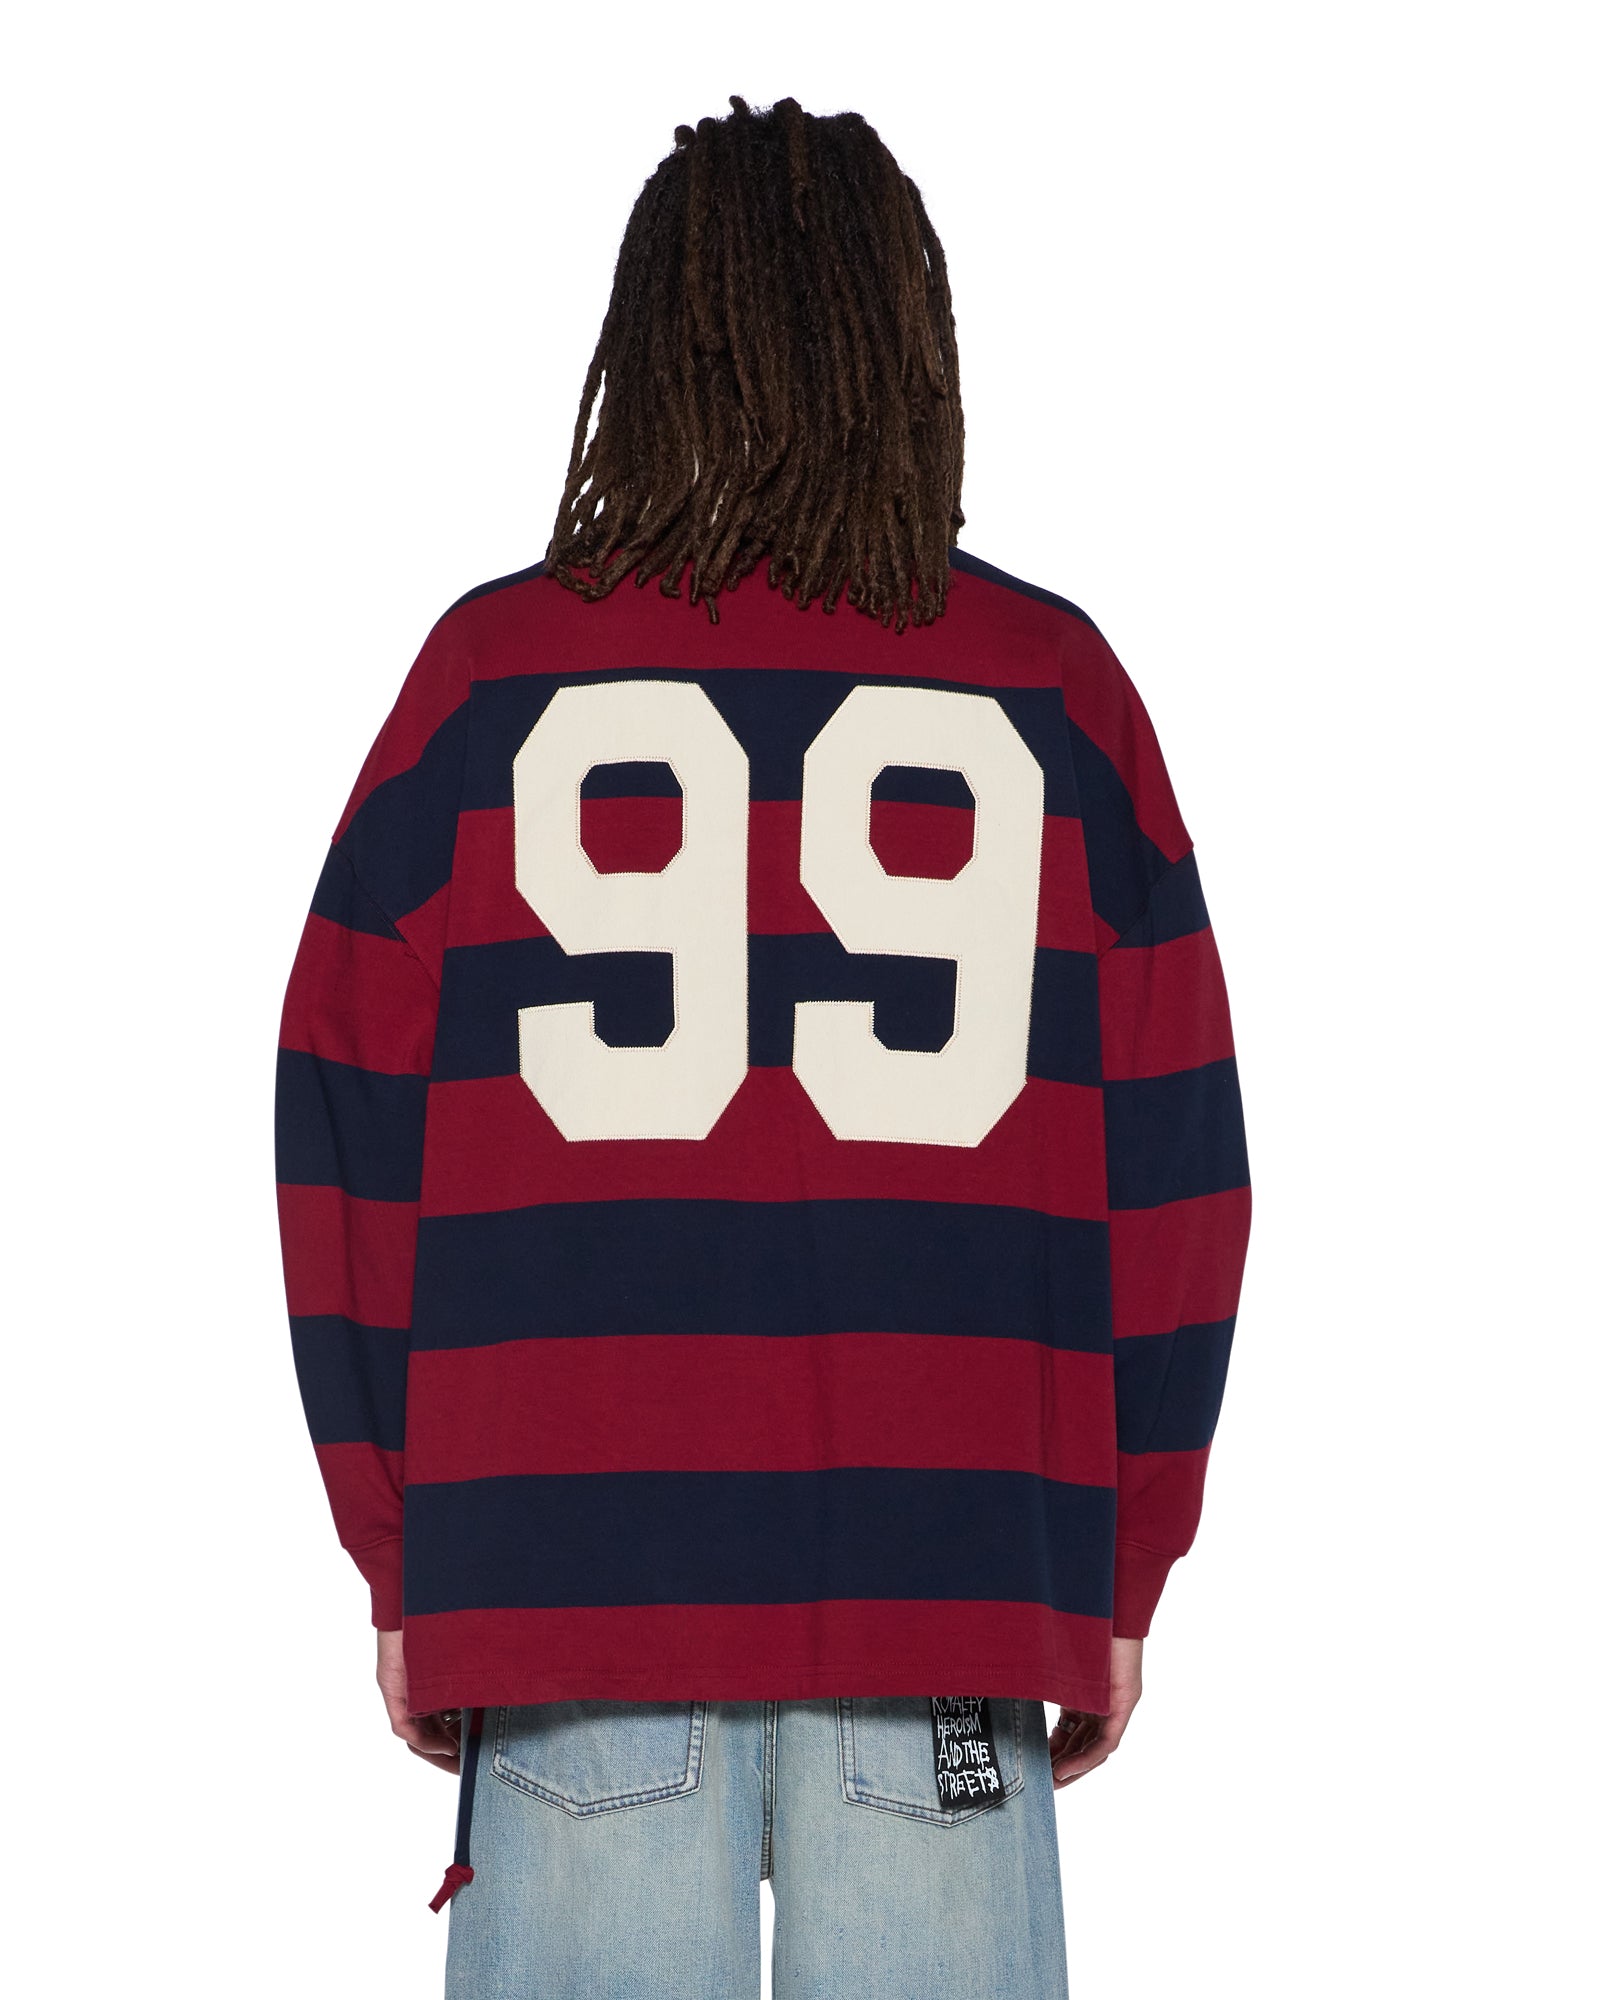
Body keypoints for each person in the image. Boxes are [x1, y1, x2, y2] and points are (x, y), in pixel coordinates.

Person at [274, 94, 1251, 1999]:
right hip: (955, 1582)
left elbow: (345, 1141)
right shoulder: (1056, 693)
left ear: (649, 343)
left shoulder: (486, 684)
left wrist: (407, 1555)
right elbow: (1178, 1171)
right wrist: (1123, 1565)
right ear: (913, 348)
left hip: (566, 1592)